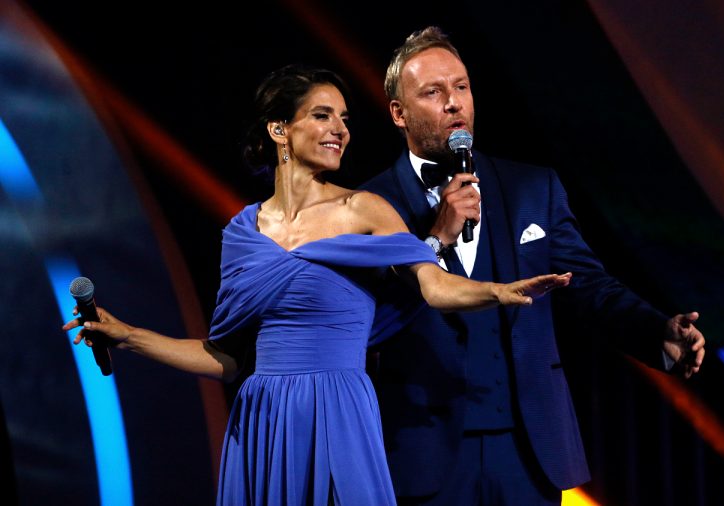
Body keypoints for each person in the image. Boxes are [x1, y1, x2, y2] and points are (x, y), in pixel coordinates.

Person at [63, 63, 572, 506]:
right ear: (279, 129)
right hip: (262, 421)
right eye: (323, 115)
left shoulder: (363, 209)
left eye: (345, 119)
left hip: (339, 413)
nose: (340, 130)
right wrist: (128, 336)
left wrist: (498, 291)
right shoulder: (242, 232)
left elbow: (433, 287)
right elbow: (226, 359)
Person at [360, 26, 706, 505]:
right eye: (433, 92)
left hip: (527, 448)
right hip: (423, 450)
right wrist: (435, 239)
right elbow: (364, 319)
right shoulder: (368, 203)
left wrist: (655, 330)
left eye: (461, 87)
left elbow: (588, 285)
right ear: (399, 113)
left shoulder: (531, 187)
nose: (454, 103)